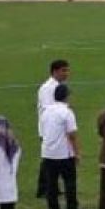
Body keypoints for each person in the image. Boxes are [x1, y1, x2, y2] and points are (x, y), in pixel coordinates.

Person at [40, 83, 84, 209]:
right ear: (66, 97)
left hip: (48, 152)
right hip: (64, 153)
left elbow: (43, 131)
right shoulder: (67, 112)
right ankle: (72, 208)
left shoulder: (46, 111)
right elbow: (72, 135)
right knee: (70, 181)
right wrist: (77, 153)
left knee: (51, 182)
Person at [36, 59, 70, 198]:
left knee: (50, 158)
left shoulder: (57, 85)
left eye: (67, 70)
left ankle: (49, 187)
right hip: (49, 127)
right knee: (49, 159)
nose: (67, 73)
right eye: (64, 70)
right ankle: (44, 188)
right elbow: (47, 108)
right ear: (55, 71)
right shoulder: (48, 88)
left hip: (55, 126)